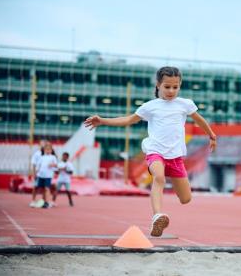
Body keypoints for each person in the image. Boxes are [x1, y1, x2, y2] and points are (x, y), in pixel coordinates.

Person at [84, 66, 217, 236]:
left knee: (186, 199)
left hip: (175, 157)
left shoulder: (185, 104)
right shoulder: (150, 107)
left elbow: (200, 120)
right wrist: (102, 120)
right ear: (158, 85)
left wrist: (211, 135)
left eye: (175, 87)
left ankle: (161, 212)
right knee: (159, 177)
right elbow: (129, 120)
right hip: (156, 152)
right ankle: (157, 216)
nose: (171, 91)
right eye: (167, 86)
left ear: (180, 86)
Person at [35, 142, 58, 209]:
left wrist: (53, 165)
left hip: (48, 176)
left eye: (49, 149)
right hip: (41, 175)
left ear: (51, 150)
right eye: (46, 149)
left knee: (47, 188)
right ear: (44, 150)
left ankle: (48, 202)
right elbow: (38, 166)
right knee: (42, 189)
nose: (48, 150)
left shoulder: (53, 157)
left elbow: (56, 166)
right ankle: (44, 201)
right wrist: (36, 173)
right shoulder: (42, 157)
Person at [29, 139, 47, 208]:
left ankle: (43, 201)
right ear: (39, 145)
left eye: (44, 143)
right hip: (38, 173)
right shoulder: (37, 154)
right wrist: (34, 173)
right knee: (35, 187)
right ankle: (33, 201)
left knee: (45, 188)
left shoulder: (47, 153)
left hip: (45, 174)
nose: (43, 145)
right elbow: (33, 164)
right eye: (42, 143)